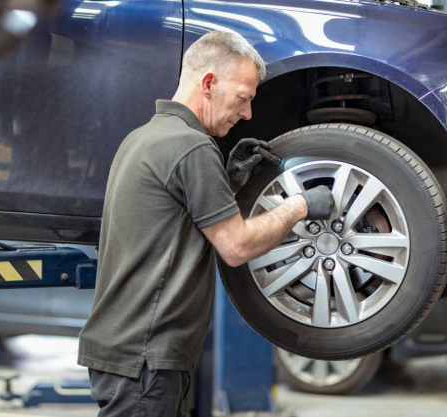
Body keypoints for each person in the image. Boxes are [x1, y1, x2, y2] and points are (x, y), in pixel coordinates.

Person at [77, 30, 334, 416]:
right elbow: (236, 247)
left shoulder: (143, 138)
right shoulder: (191, 147)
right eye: (243, 98)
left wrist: (226, 184)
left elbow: (171, 225)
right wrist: (299, 206)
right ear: (209, 84)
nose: (247, 114)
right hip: (146, 357)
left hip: (130, 352)